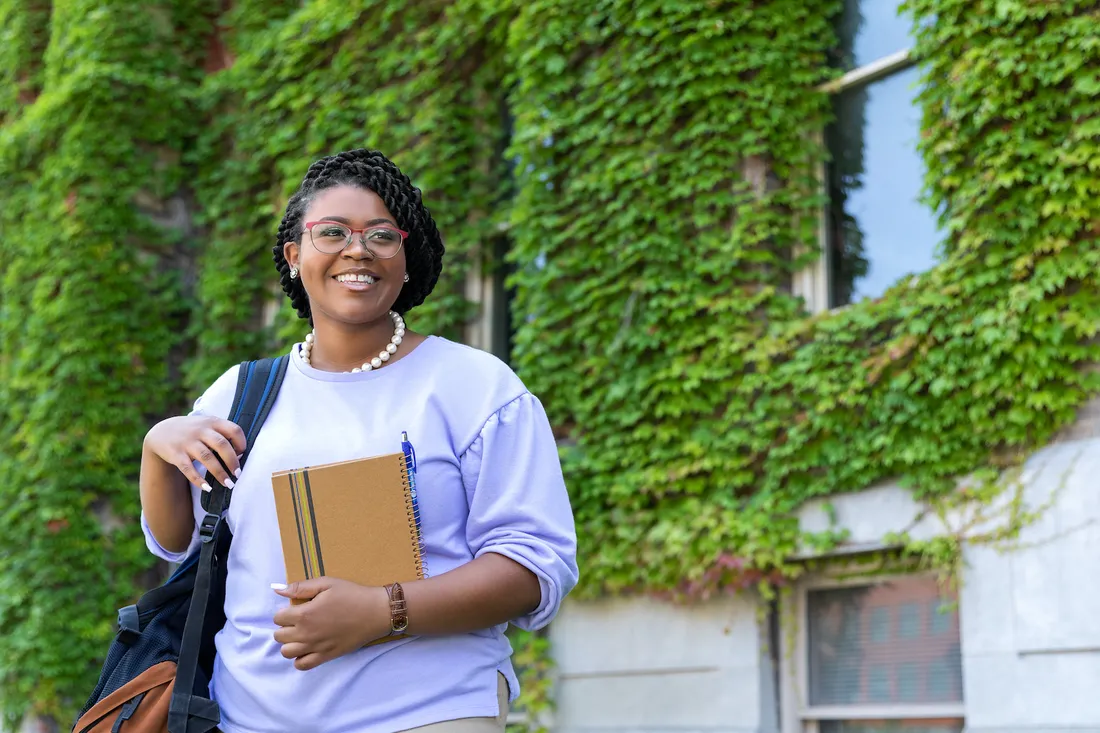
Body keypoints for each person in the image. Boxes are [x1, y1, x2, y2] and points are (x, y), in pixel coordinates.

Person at [139, 148, 579, 733]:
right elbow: (180, 541)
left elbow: (535, 565)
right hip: (250, 716)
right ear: (295, 255)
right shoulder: (240, 394)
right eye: (333, 232)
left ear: (404, 258)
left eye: (381, 235)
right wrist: (157, 448)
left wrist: (382, 611)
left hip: (428, 710)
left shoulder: (474, 386)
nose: (358, 249)